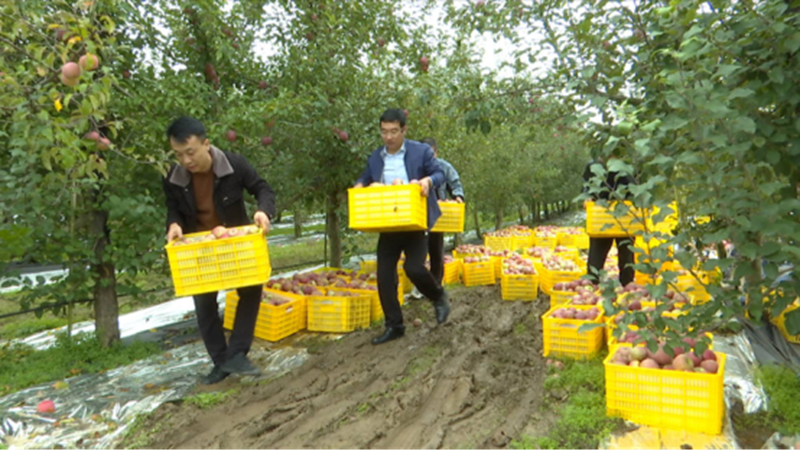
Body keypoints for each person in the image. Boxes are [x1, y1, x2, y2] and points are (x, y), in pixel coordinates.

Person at [163, 116, 276, 385]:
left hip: (234, 242)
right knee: (204, 304)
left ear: (206, 144)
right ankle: (220, 362)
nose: (186, 160)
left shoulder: (234, 165)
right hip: (200, 247)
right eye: (178, 154)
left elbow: (262, 188)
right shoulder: (173, 177)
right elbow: (173, 208)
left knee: (251, 290)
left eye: (190, 152)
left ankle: (236, 354)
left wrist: (263, 210)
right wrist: (174, 224)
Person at [354, 109, 451, 345]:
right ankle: (394, 325)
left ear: (404, 130)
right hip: (389, 221)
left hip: (415, 220)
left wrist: (427, 181)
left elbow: (439, 173)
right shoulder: (376, 157)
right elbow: (366, 177)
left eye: (394, 131)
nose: (388, 137)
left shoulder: (421, 151)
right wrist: (359, 185)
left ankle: (438, 296)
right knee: (385, 276)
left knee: (414, 267)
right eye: (384, 132)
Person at [408, 138, 464, 297]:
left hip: (437, 216)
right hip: (418, 215)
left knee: (436, 251)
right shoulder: (413, 168)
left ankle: (436, 285)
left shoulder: (444, 167)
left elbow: (455, 183)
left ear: (436, 153)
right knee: (417, 252)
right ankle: (420, 286)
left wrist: (457, 196)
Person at [583, 156, 636, 287]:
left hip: (623, 216)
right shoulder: (593, 167)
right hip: (601, 216)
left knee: (626, 255)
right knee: (596, 254)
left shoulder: (624, 166)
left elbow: (634, 189)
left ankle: (628, 286)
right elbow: (586, 185)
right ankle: (592, 284)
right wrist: (587, 197)